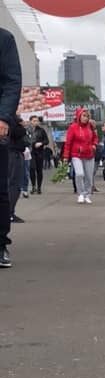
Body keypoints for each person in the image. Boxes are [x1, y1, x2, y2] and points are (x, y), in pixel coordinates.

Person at [0, 26, 20, 267]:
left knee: (0, 188)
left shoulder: (4, 39)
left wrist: (4, 117)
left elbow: (12, 81)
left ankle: (0, 244)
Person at [62, 108, 99, 204]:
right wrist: (66, 156)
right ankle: (81, 194)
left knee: (89, 177)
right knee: (79, 174)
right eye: (84, 116)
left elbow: (95, 137)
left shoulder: (90, 127)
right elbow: (68, 143)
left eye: (87, 116)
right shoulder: (73, 127)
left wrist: (94, 145)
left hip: (89, 155)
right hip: (76, 155)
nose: (85, 118)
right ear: (79, 116)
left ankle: (87, 194)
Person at [8, 114, 26, 224]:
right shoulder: (9, 116)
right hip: (13, 153)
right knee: (14, 184)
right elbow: (17, 132)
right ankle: (9, 213)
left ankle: (9, 212)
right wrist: (20, 124)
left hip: (11, 151)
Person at [27, 115, 49, 194]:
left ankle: (39, 187)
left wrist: (41, 143)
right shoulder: (27, 130)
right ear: (30, 121)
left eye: (37, 121)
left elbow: (46, 141)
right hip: (30, 152)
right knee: (32, 169)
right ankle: (33, 186)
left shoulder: (41, 130)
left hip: (39, 152)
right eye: (34, 121)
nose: (36, 122)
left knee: (39, 170)